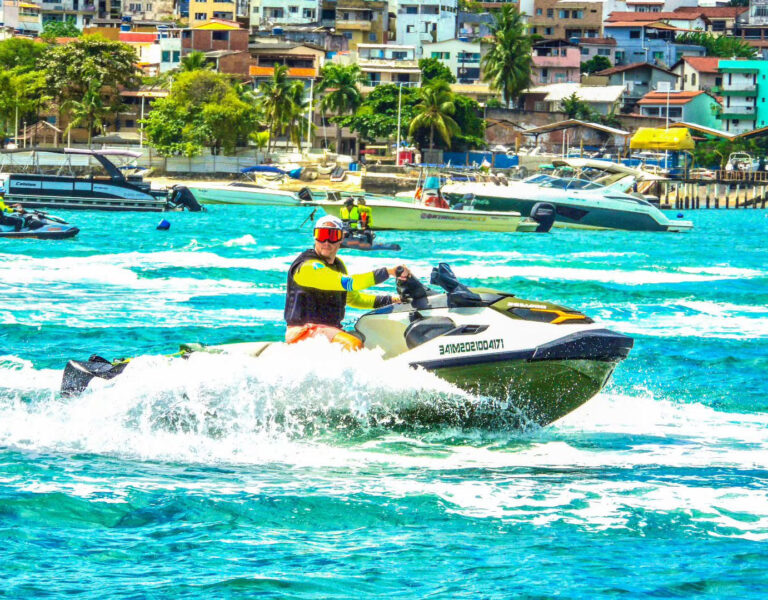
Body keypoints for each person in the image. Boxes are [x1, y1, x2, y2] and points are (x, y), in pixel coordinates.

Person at [284, 215, 409, 350]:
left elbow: (355, 299)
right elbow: (350, 283)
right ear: (315, 237)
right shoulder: (307, 267)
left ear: (341, 238)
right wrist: (388, 272)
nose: (326, 242)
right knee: (353, 344)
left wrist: (392, 300)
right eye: (322, 235)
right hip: (303, 332)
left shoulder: (338, 265)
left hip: (328, 330)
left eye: (332, 236)